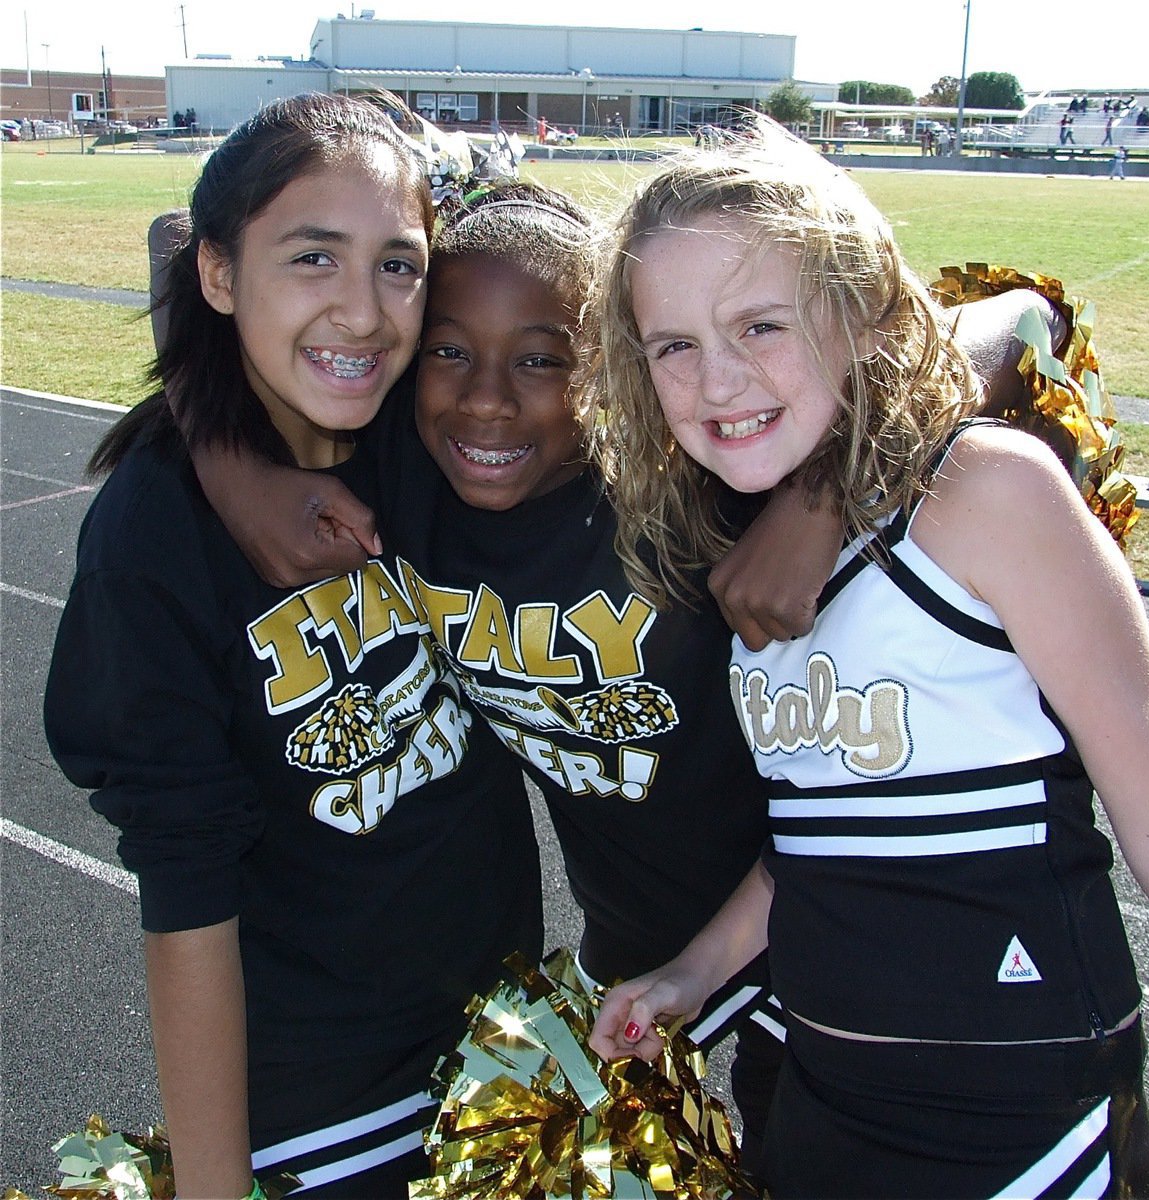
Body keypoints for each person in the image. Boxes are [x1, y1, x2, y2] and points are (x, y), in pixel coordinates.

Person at [154, 167, 1069, 1184]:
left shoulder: (683, 477)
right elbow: (175, 248)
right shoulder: (400, 474)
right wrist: (233, 471)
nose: (489, 400)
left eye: (543, 360)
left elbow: (1017, 318)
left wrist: (821, 491)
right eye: (449, 351)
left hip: (812, 933)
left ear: (613, 369)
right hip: (639, 962)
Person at [586, 118, 1149, 1198]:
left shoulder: (983, 493)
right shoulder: (742, 549)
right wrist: (697, 968)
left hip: (1026, 1125)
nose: (717, 380)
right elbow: (814, 834)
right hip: (831, 1107)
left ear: (860, 315)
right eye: (672, 345)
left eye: (760, 324)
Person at [43, 93, 544, 1199]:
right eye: (313, 258)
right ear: (223, 280)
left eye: (398, 266)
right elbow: (184, 894)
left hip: (507, 1047)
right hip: (330, 1107)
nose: (363, 314)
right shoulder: (152, 539)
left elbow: (187, 242)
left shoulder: (440, 422)